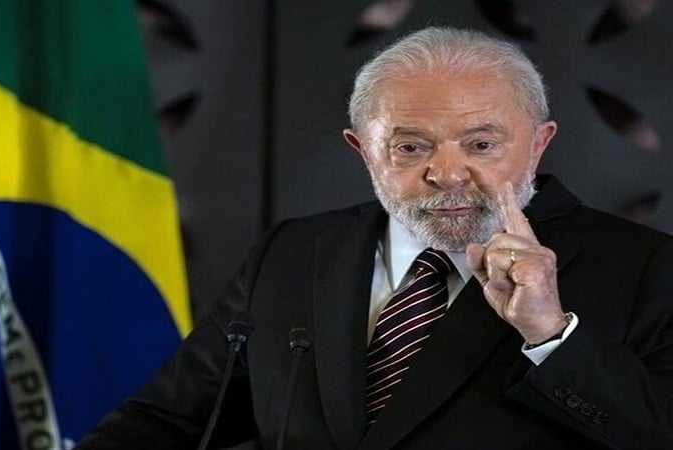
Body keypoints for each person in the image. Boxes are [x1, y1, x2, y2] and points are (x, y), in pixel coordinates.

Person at [77, 26, 673, 449]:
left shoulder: (645, 266)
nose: (448, 173)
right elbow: (167, 421)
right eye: (410, 147)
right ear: (363, 150)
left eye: (481, 144)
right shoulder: (294, 252)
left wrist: (550, 335)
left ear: (539, 143)